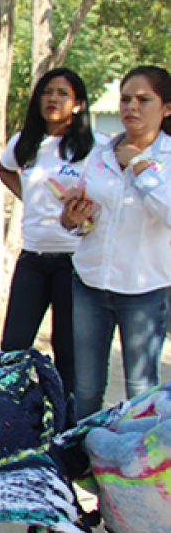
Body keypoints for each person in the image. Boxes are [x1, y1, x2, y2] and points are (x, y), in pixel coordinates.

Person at [62, 65, 171, 420]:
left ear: (166, 108)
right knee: (86, 387)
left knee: (141, 392)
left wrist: (139, 165)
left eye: (143, 100)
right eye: (125, 99)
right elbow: (90, 220)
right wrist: (74, 219)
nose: (131, 107)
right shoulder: (102, 152)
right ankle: (80, 450)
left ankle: (135, 454)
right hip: (90, 283)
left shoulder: (166, 158)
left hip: (142, 290)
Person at [0, 68, 101, 396]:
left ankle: (66, 419)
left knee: (67, 351)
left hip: (73, 261)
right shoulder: (25, 142)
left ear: (78, 104)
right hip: (33, 256)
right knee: (13, 347)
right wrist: (29, 198)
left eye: (62, 93)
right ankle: (7, 412)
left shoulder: (93, 147)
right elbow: (5, 169)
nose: (52, 99)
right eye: (47, 92)